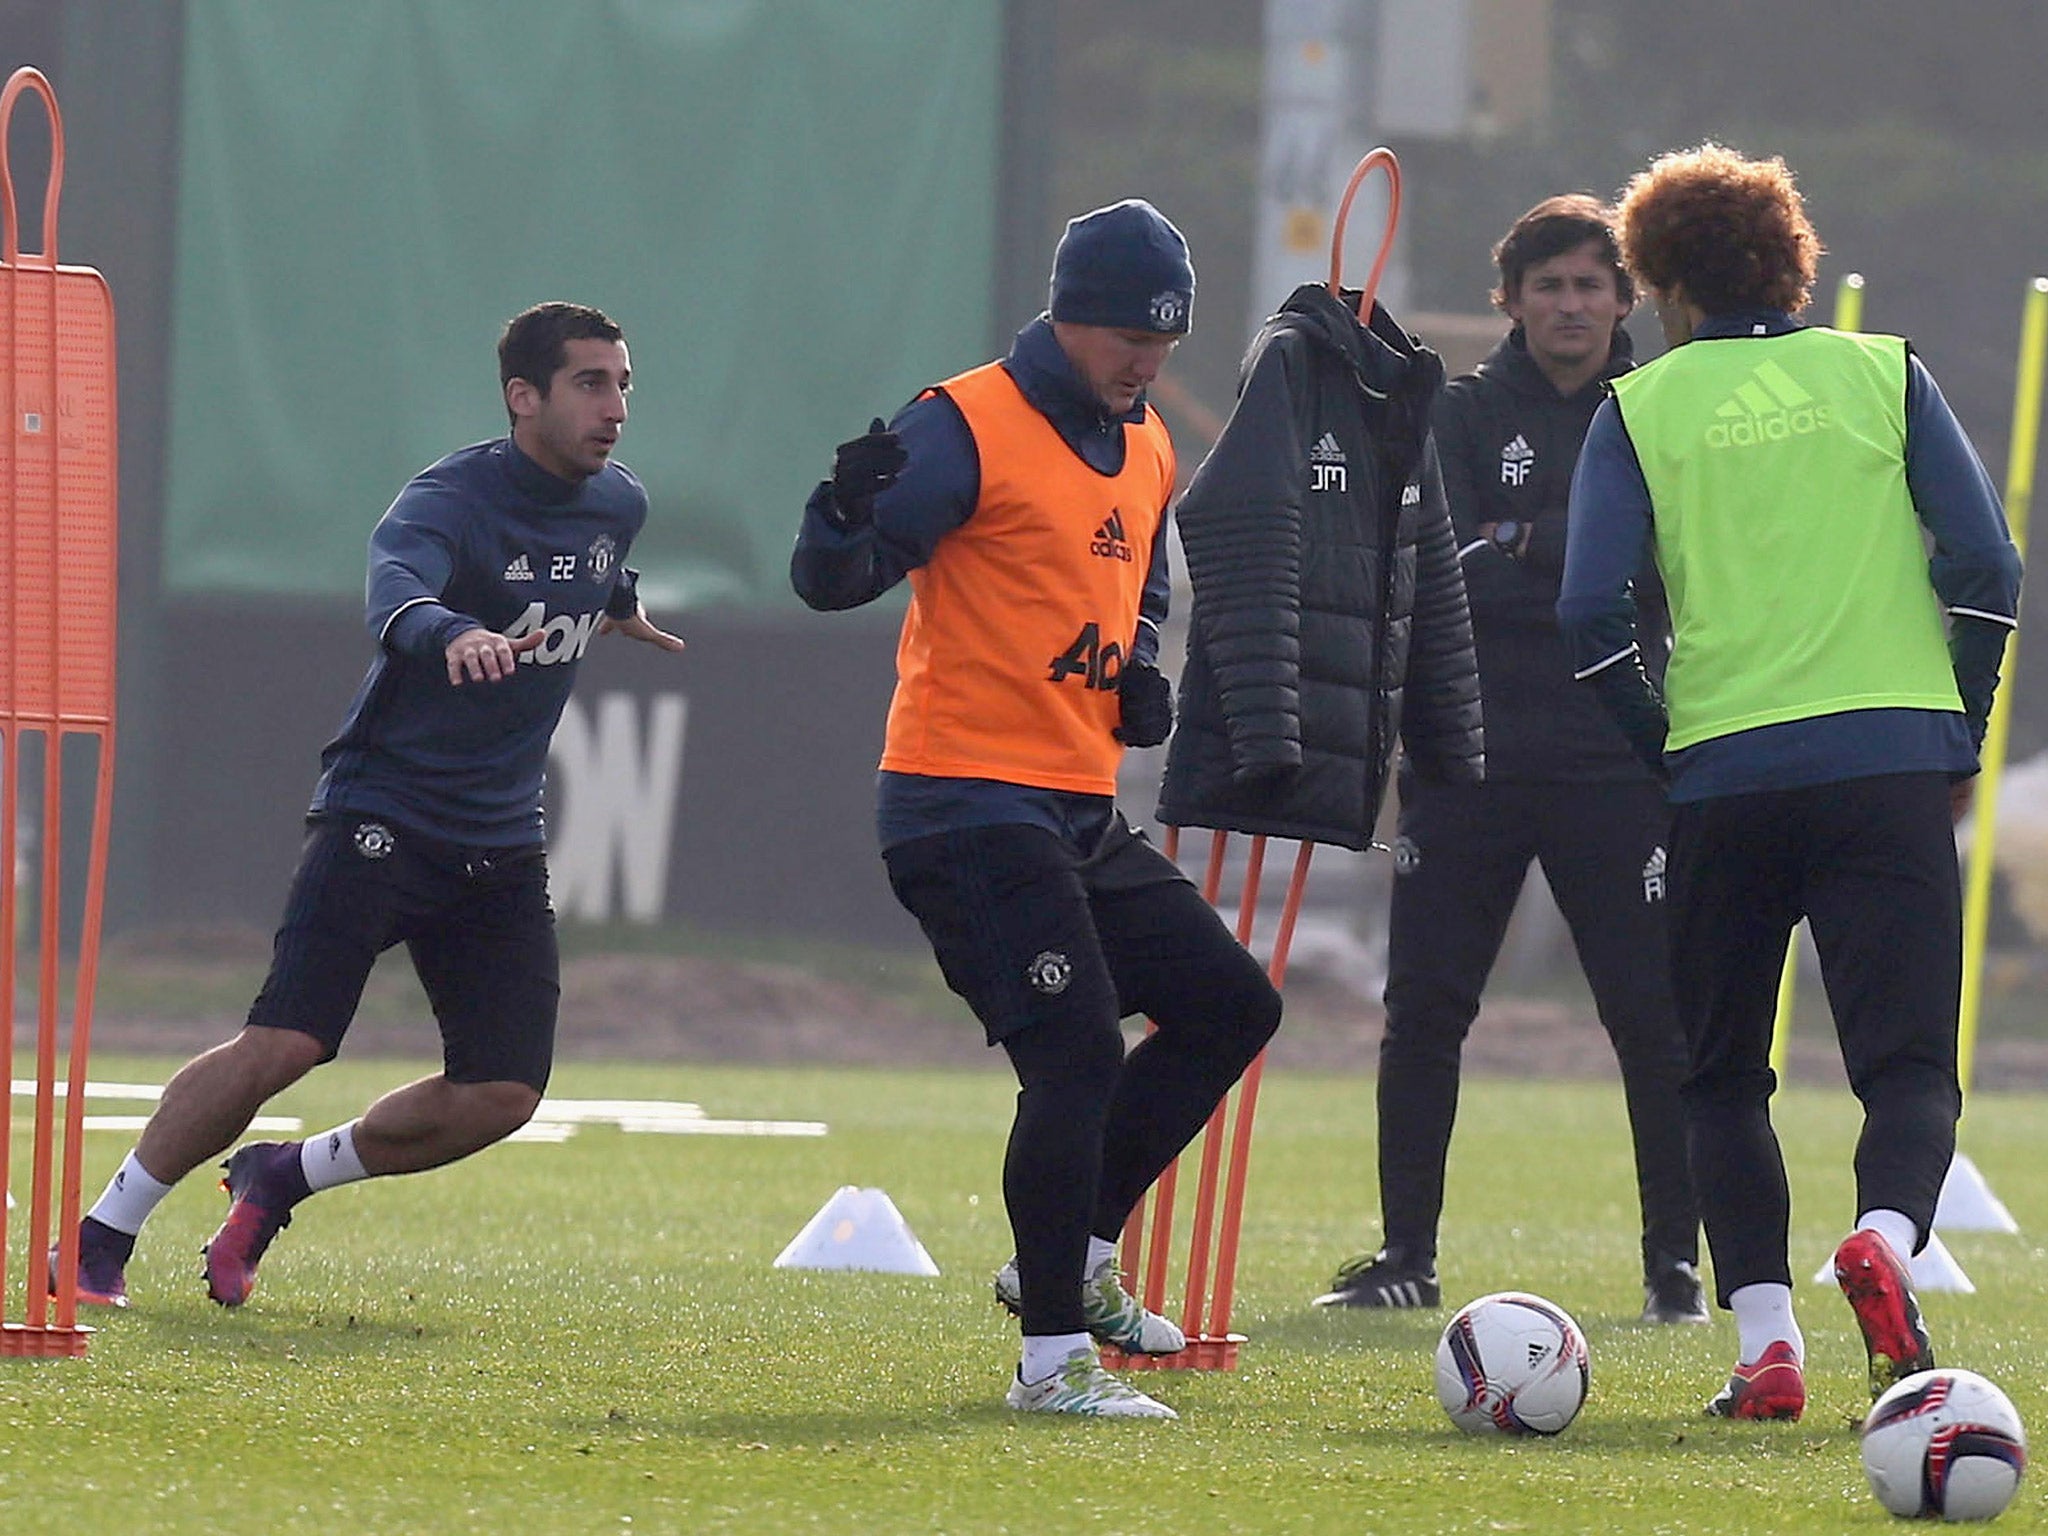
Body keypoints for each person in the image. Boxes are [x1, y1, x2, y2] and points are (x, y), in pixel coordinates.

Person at [55, 301, 688, 1310]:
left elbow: (592, 562)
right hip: (384, 811)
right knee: (289, 1042)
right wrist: (450, 634)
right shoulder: (447, 497)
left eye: (622, 384)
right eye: (589, 383)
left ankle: (284, 1177)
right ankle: (98, 1235)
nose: (615, 406)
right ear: (523, 398)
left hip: (500, 838)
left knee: (502, 1094)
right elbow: (394, 594)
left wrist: (620, 608)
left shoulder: (618, 503)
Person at [791, 199, 1282, 1421]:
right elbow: (830, 580)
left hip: (1074, 803)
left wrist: (1143, 672)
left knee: (1231, 1005)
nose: (1147, 359)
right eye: (1126, 336)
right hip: (961, 801)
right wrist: (839, 512)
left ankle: (1075, 1261)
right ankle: (1052, 1361)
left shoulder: (1151, 439)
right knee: (1070, 1061)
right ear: (1067, 316)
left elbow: (1137, 588)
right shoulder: (964, 423)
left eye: (1164, 339)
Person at [1558, 144, 2022, 1420]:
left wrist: (1664, 746)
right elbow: (1985, 568)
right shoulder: (1885, 372)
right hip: (1887, 763)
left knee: (1716, 1075)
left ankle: (1766, 1345)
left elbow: (1589, 614)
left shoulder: (1634, 408)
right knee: (1906, 1066)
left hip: (1723, 777)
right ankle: (1881, 1235)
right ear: (1790, 264)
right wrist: (1957, 733)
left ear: (1657, 279)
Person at [1309, 196, 1705, 1325]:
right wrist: (1577, 555)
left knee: (1650, 1017)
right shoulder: (1464, 412)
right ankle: (1403, 1258)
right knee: (1424, 1011)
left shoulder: (1659, 414)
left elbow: (1670, 574)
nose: (1569, 305)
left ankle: (1672, 1268)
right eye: (1548, 286)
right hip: (1464, 752)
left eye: (1590, 284)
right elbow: (1436, 562)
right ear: (1511, 301)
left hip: (1616, 761)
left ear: (1625, 299)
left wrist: (1520, 539)